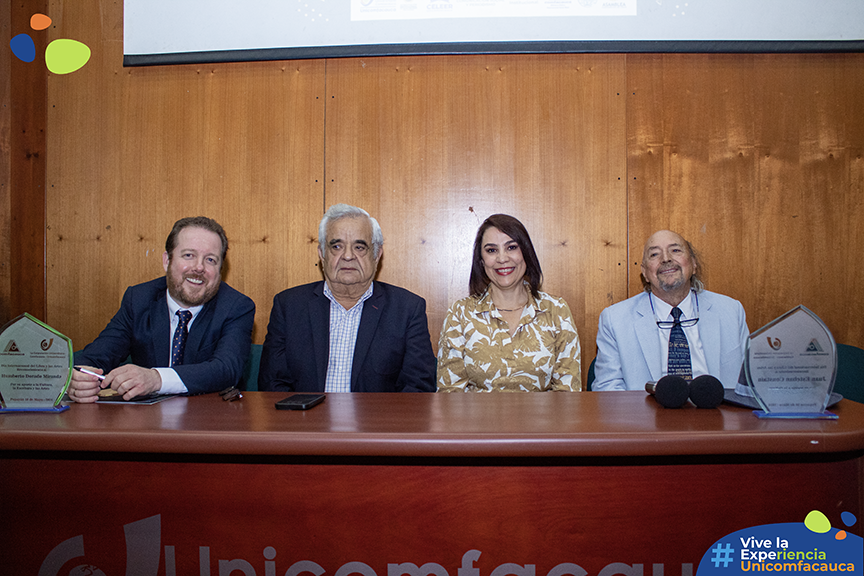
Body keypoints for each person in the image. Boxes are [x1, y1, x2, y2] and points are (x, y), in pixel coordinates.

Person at [69, 216, 256, 402]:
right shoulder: (139, 299)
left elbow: (226, 369)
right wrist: (78, 379)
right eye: (188, 255)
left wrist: (157, 379)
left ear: (220, 269)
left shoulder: (236, 306)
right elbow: (95, 357)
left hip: (208, 419)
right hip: (145, 422)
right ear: (167, 260)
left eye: (210, 260)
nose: (199, 267)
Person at [258, 204, 436, 393]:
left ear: (377, 255)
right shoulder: (289, 307)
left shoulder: (407, 310)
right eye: (337, 246)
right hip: (305, 421)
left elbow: (418, 390)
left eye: (359, 247)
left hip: (378, 422)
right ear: (322, 254)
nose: (348, 256)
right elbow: (272, 386)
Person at [437, 214, 581, 392]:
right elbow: (450, 395)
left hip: (544, 420)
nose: (502, 258)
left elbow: (568, 394)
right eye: (491, 250)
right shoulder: (460, 314)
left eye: (511, 247)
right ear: (481, 261)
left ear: (526, 253)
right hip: (476, 420)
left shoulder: (556, 311)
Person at [593, 229, 749, 391]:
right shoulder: (615, 319)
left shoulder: (730, 311)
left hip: (717, 412)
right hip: (646, 414)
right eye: (654, 254)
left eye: (675, 250)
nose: (666, 259)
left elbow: (750, 382)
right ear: (645, 272)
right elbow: (607, 389)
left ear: (694, 264)